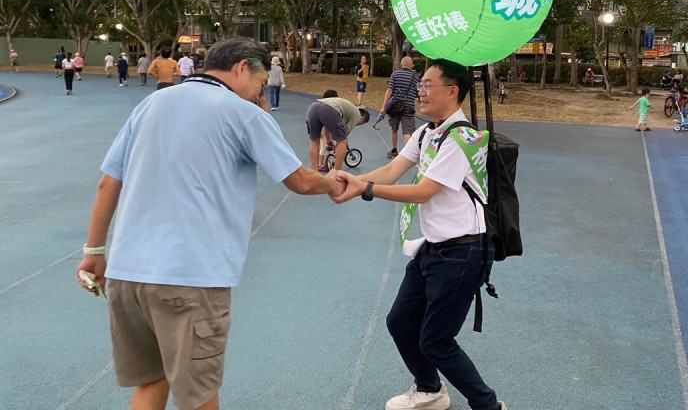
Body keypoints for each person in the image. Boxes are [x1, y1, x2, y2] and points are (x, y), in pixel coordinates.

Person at [76, 37, 345, 410]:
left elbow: (109, 181)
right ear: (241, 68)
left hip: (127, 276)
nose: (260, 90)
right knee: (199, 396)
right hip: (191, 278)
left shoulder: (153, 103)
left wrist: (94, 252)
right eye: (261, 80)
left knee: (151, 383)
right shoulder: (243, 113)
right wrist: (334, 182)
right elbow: (298, 180)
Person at [331, 59, 507, 410]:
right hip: (434, 248)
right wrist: (352, 180)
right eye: (420, 84)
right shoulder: (429, 133)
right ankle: (429, 389)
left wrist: (365, 190)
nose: (419, 92)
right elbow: (394, 170)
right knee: (400, 323)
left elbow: (424, 191)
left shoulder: (463, 139)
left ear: (452, 92)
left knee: (436, 341)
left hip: (463, 252)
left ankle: (488, 405)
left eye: (427, 85)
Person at [306, 96, 369, 172]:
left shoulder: (346, 111)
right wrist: (336, 146)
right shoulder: (357, 115)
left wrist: (330, 143)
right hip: (328, 109)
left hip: (313, 106)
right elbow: (344, 134)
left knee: (314, 140)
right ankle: (336, 172)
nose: (358, 125)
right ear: (362, 119)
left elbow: (326, 128)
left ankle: (315, 171)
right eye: (361, 124)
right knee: (343, 141)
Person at [380, 56, 420, 158]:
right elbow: (418, 93)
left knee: (394, 129)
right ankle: (408, 155)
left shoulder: (395, 74)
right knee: (407, 132)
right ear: (412, 66)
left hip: (394, 107)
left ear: (401, 65)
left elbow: (389, 91)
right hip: (409, 107)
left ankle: (394, 150)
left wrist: (384, 107)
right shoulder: (415, 77)